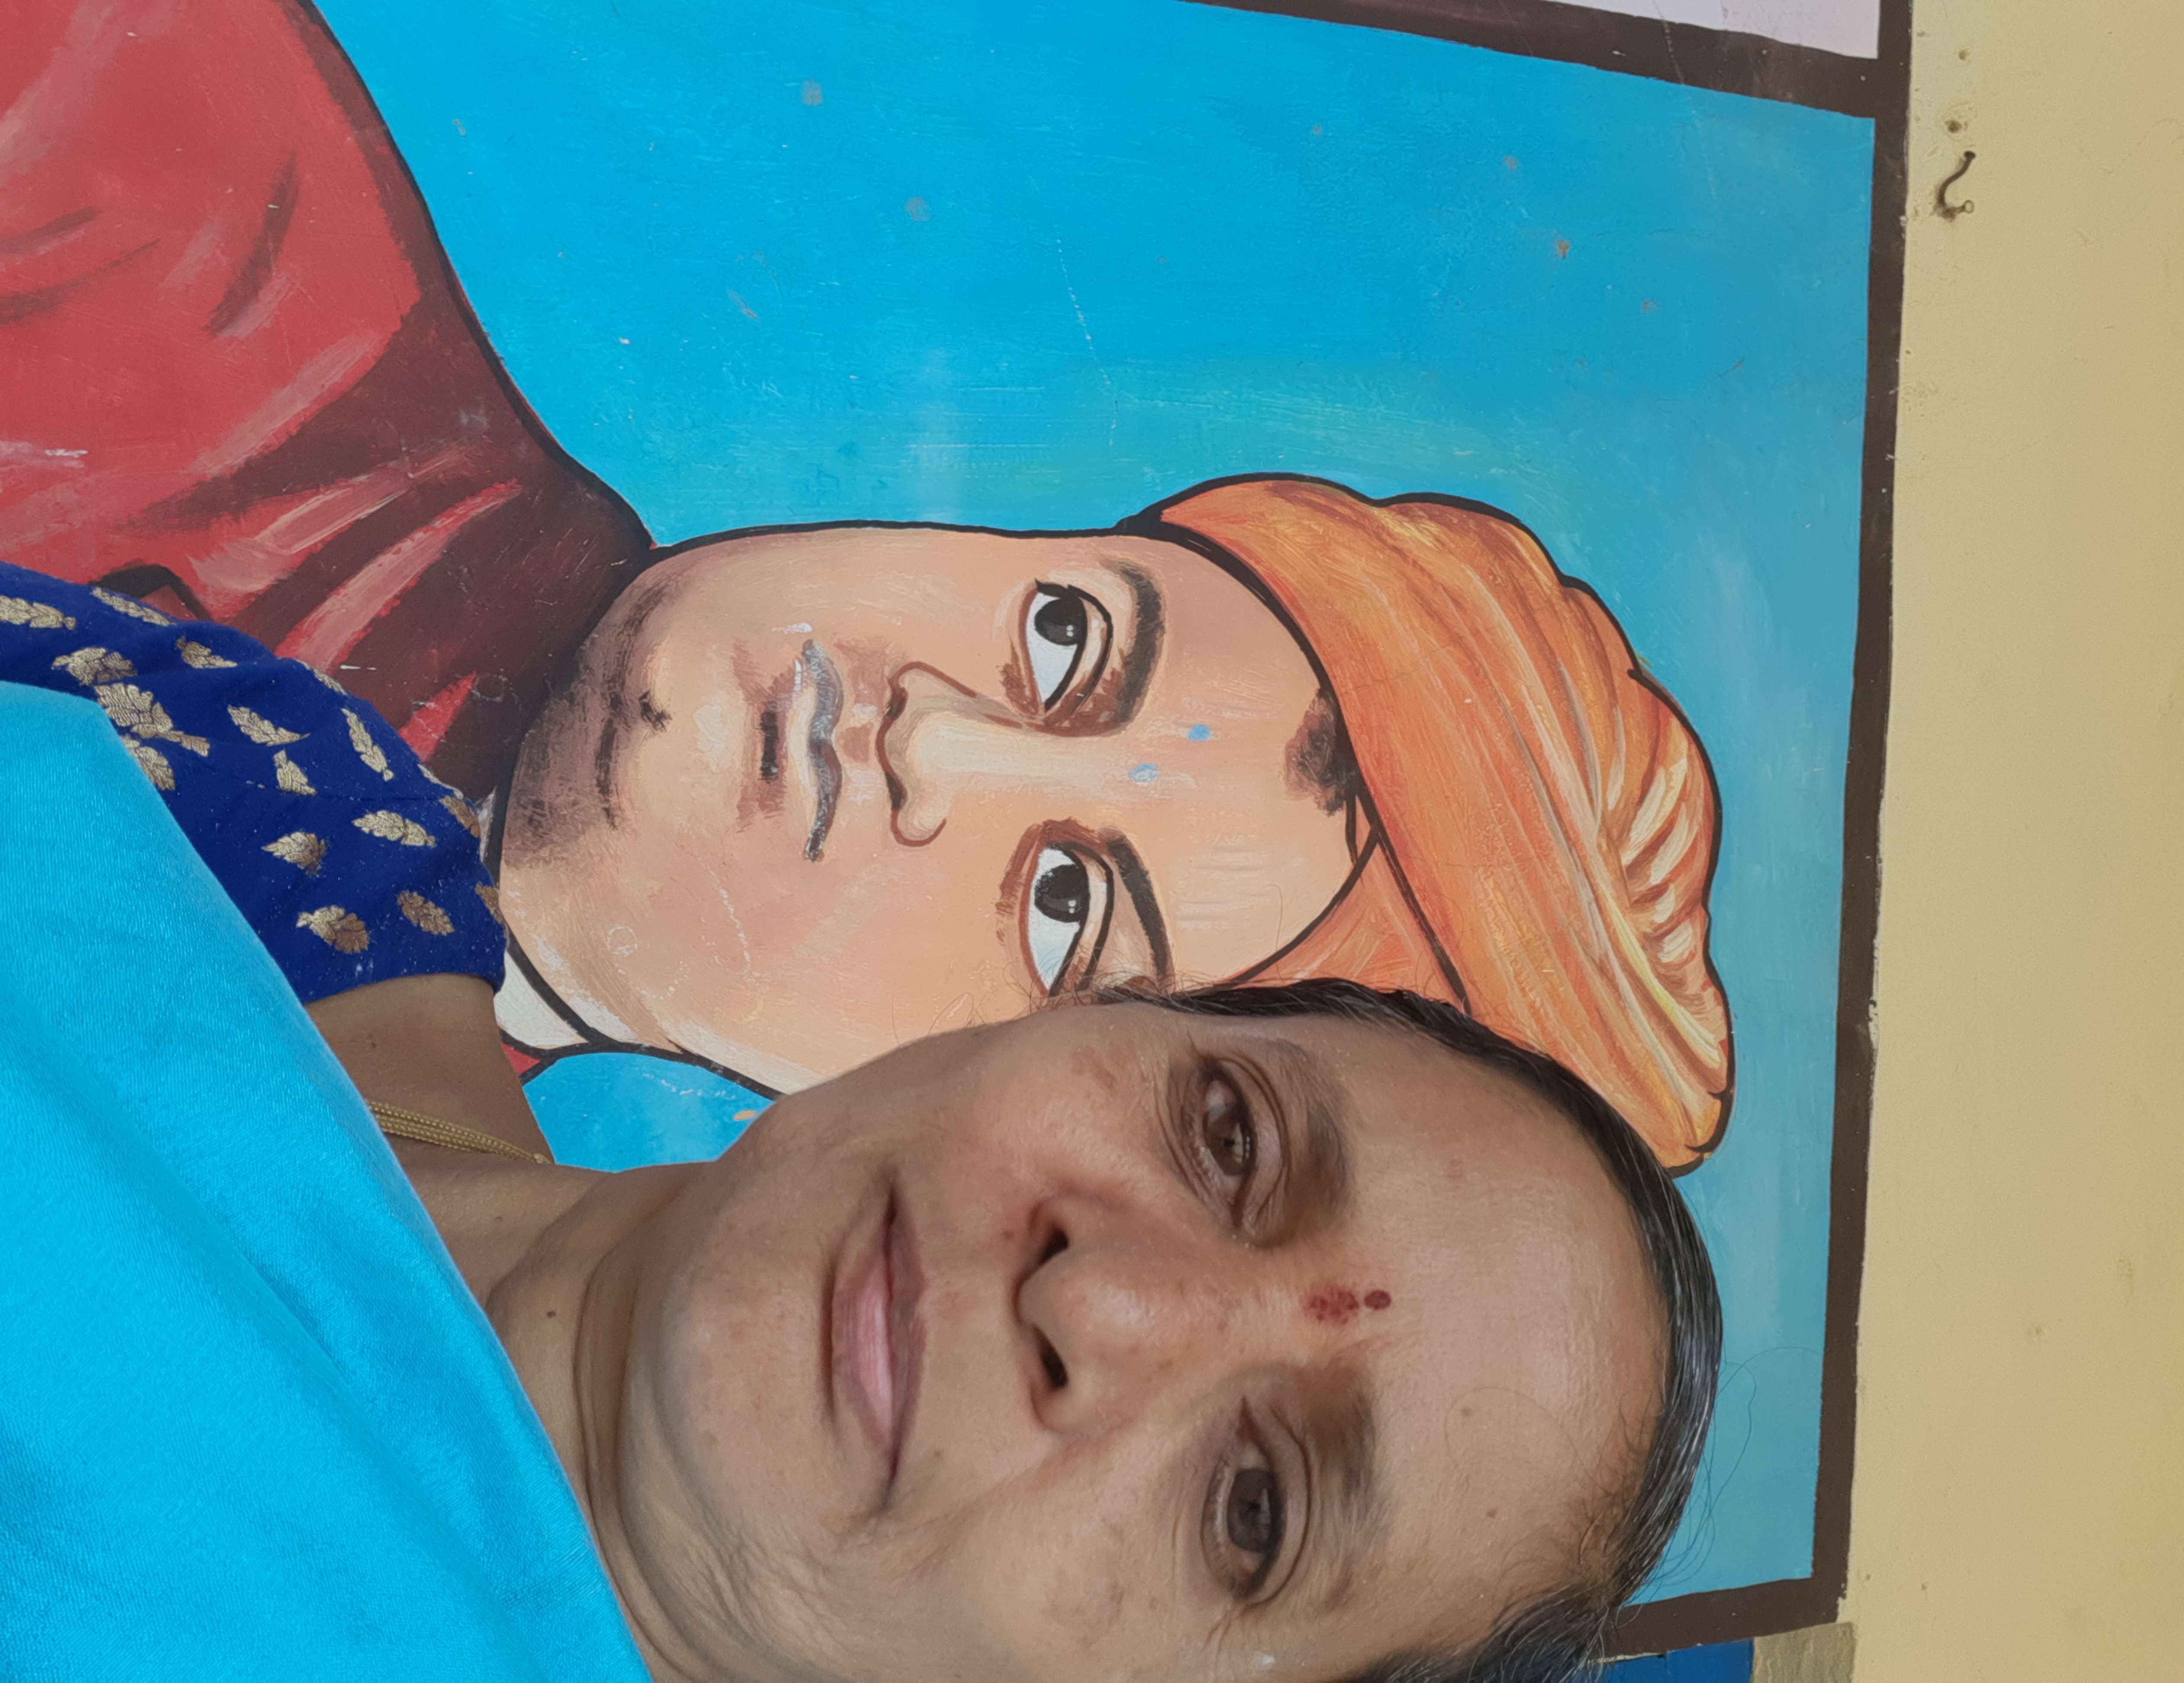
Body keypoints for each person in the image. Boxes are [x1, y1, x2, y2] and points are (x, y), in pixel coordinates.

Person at [1, 0, 1731, 1165]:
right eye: (1069, 639)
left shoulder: (358, 1299)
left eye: (1065, 910)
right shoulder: (144, 151)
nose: (932, 742)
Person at [0, 652, 1722, 1680]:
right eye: (1228, 1135)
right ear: (1104, 1009)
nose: (1106, 1301)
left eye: (1254, 1510)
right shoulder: (292, 809)